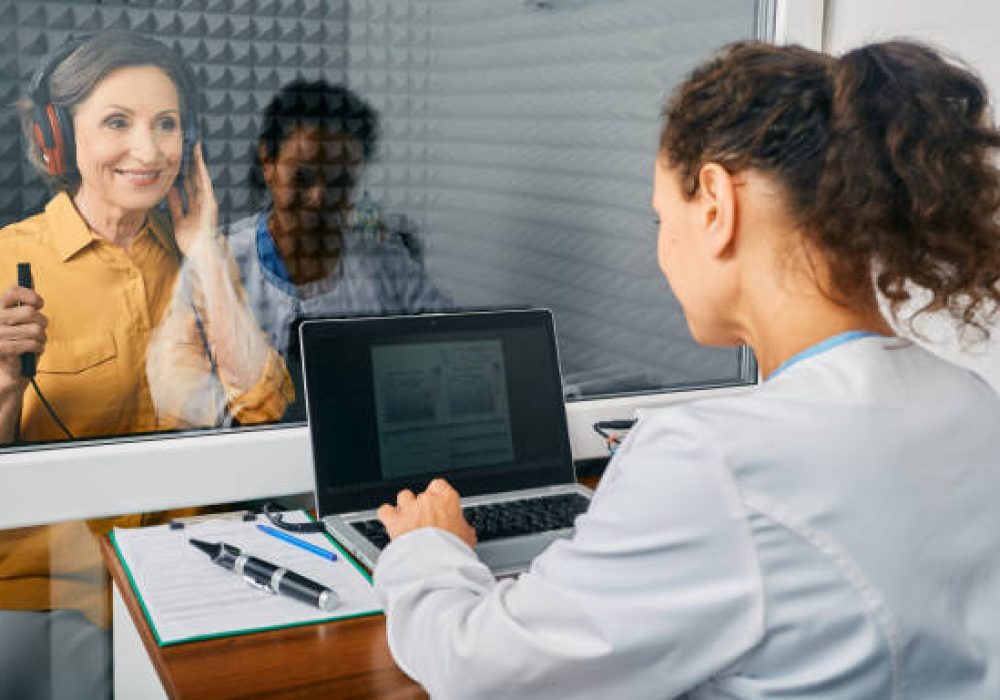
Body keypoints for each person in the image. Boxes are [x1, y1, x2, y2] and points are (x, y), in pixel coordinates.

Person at [372, 41, 1000, 698]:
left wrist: (428, 548)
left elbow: (480, 671)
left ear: (715, 204)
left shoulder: (713, 460)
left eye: (659, 217)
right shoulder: (971, 404)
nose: (661, 250)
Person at [0, 31, 291, 698]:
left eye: (166, 124)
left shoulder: (195, 258)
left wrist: (206, 250)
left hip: (189, 571)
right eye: (117, 123)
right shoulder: (6, 264)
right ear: (55, 139)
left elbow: (267, 412)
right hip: (43, 590)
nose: (150, 150)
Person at [228, 79, 452, 373]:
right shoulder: (217, 265)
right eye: (303, 177)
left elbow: (452, 337)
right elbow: (177, 386)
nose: (319, 198)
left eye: (340, 182)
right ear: (268, 164)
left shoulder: (386, 263)